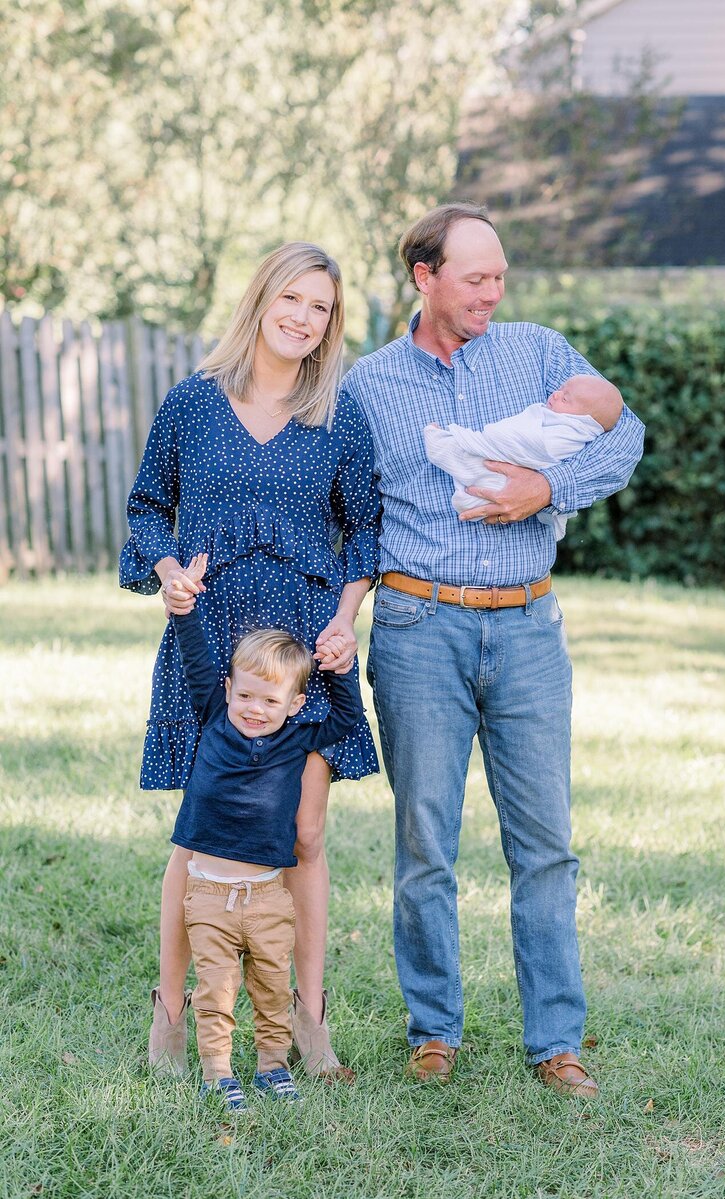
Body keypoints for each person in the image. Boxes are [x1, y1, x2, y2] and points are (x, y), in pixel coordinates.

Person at [341, 202, 645, 1096]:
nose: (492, 292)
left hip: (528, 629)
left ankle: (557, 1039)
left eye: (500, 276)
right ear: (424, 278)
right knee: (425, 841)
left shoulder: (540, 351)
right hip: (416, 627)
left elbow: (623, 434)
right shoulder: (369, 384)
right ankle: (434, 1030)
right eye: (475, 277)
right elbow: (346, 512)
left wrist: (545, 485)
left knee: (545, 844)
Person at [119, 242, 380, 1082]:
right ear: (263, 297)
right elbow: (147, 504)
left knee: (304, 832)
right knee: (196, 837)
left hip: (301, 651)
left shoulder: (339, 413)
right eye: (294, 299)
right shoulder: (193, 403)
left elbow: (366, 530)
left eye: (323, 309)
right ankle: (169, 1012)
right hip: (210, 641)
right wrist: (167, 573)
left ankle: (309, 1017)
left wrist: (345, 622)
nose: (306, 318)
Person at [166, 554, 366, 1110]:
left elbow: (346, 723)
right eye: (246, 695)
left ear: (295, 705)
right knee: (216, 988)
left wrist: (341, 674)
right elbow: (194, 658)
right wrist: (185, 609)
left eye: (270, 701)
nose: (254, 710)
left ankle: (274, 1066)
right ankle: (217, 1072)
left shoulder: (297, 738)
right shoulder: (213, 712)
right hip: (207, 891)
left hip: (269, 894)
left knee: (273, 986)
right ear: (228, 688)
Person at [424, 373, 623, 539]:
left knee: (474, 460)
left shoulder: (569, 434)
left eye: (565, 398)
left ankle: (442, 445)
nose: (555, 394)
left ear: (585, 420)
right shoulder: (562, 418)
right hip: (501, 477)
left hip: (502, 479)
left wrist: (546, 487)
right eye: (560, 389)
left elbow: (523, 444)